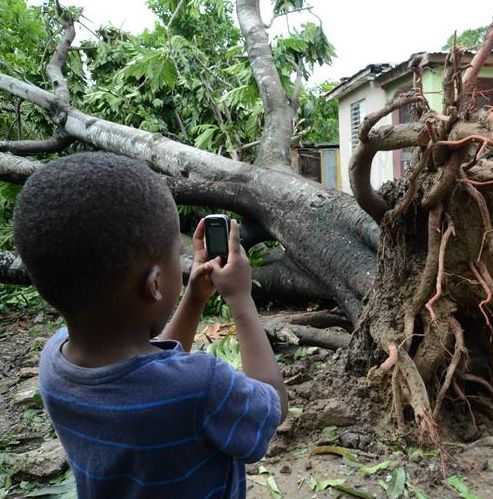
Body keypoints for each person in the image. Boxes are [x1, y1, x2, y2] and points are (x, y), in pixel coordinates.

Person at [13, 152, 288, 498]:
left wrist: (194, 297)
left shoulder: (54, 361)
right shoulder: (204, 385)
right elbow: (272, 408)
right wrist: (241, 300)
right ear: (155, 284)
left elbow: (150, 369)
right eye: (176, 256)